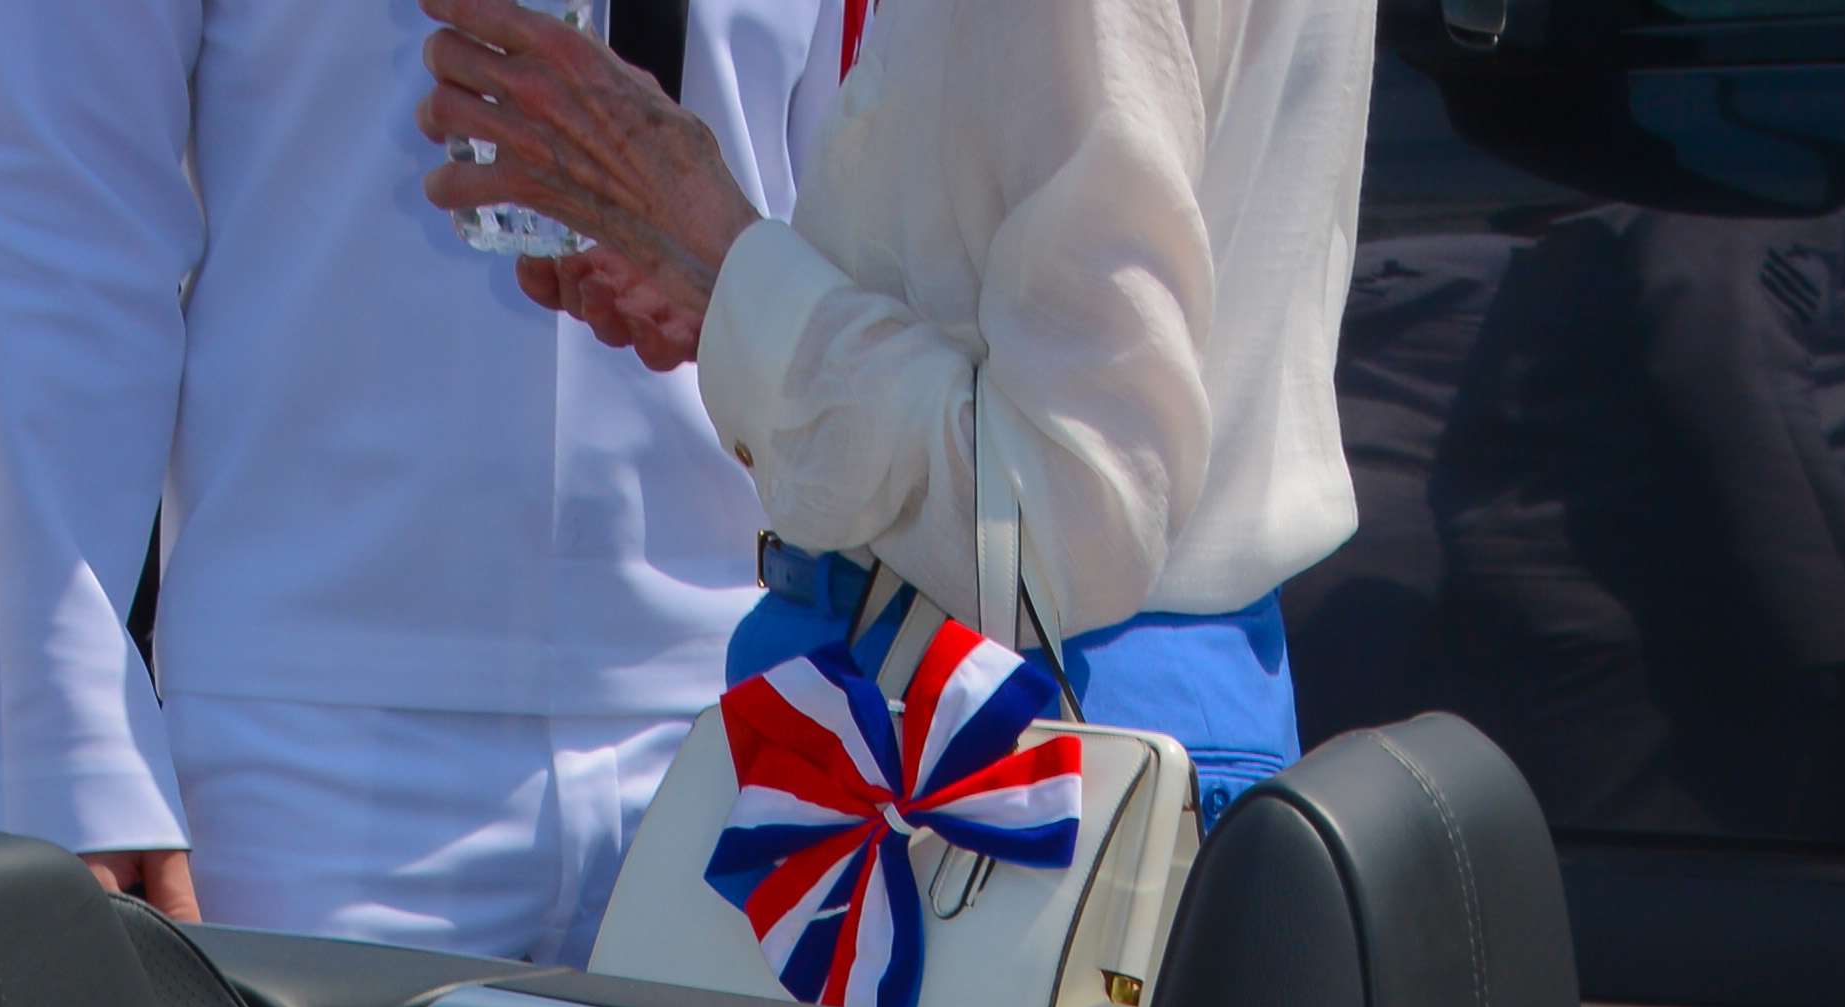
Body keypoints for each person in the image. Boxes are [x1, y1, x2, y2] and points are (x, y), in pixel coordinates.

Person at [0, 0, 848, 950]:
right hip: (304, 751)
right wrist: (71, 753)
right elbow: (60, 214)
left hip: (756, 708)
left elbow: (875, 192)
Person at [419, 0, 1373, 819]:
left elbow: (1060, 521)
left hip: (1000, 752)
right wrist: (737, 298)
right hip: (1119, 719)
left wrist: (717, 254)